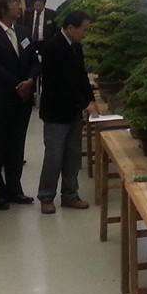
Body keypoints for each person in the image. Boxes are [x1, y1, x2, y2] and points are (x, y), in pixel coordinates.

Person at [37, 11, 99, 215]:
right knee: (54, 156)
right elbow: (62, 82)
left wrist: (91, 99)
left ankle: (70, 195)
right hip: (56, 112)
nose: (85, 34)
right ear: (71, 28)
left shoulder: (76, 46)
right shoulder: (52, 47)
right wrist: (84, 103)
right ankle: (46, 196)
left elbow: (81, 77)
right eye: (84, 30)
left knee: (73, 156)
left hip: (73, 111)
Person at [0, 0, 38, 209]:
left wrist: (30, 80)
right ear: (3, 7)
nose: (19, 6)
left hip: (22, 101)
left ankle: (15, 190)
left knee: (16, 146)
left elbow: (34, 60)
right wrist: (17, 85)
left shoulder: (22, 31)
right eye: (15, 2)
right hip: (0, 101)